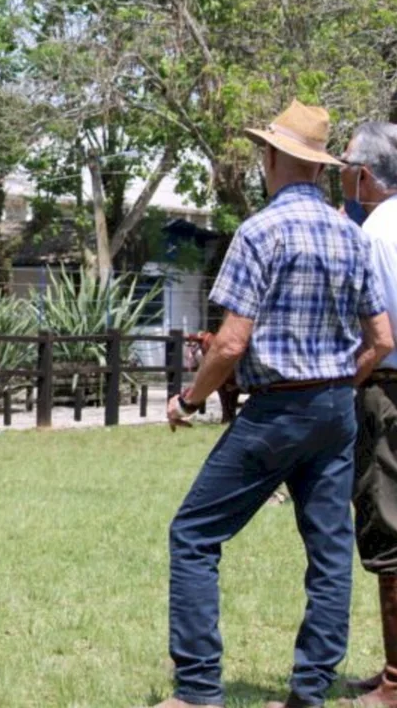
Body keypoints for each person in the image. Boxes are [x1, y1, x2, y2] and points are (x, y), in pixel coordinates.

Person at [150, 99, 394, 708]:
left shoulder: (260, 232)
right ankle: (310, 691)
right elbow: (383, 339)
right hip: (337, 408)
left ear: (274, 158)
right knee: (330, 550)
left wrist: (188, 398)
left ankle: (199, 689)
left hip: (277, 410)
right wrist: (340, 380)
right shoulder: (350, 233)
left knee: (194, 535)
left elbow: (231, 341)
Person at [336, 122, 397, 707]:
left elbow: (378, 336)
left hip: (388, 390)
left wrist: (341, 383)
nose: (345, 178)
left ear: (368, 176)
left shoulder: (374, 232)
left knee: (387, 528)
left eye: (349, 168)